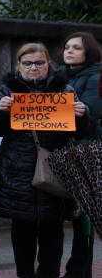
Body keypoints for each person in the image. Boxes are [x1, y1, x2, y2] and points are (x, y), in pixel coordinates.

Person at [0, 42, 92, 278]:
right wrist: (0, 111)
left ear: (48, 64)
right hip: (18, 173)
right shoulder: (8, 90)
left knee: (52, 234)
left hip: (55, 172)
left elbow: (81, 132)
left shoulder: (65, 90)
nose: (33, 68)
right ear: (18, 65)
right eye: (28, 63)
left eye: (39, 63)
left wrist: (81, 116)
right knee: (22, 233)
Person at [56, 32, 102, 278]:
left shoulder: (96, 76)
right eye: (66, 46)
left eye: (76, 47)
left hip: (85, 149)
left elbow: (93, 109)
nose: (69, 51)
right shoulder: (58, 76)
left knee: (84, 214)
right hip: (62, 149)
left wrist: (82, 108)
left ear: (89, 52)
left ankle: (79, 270)